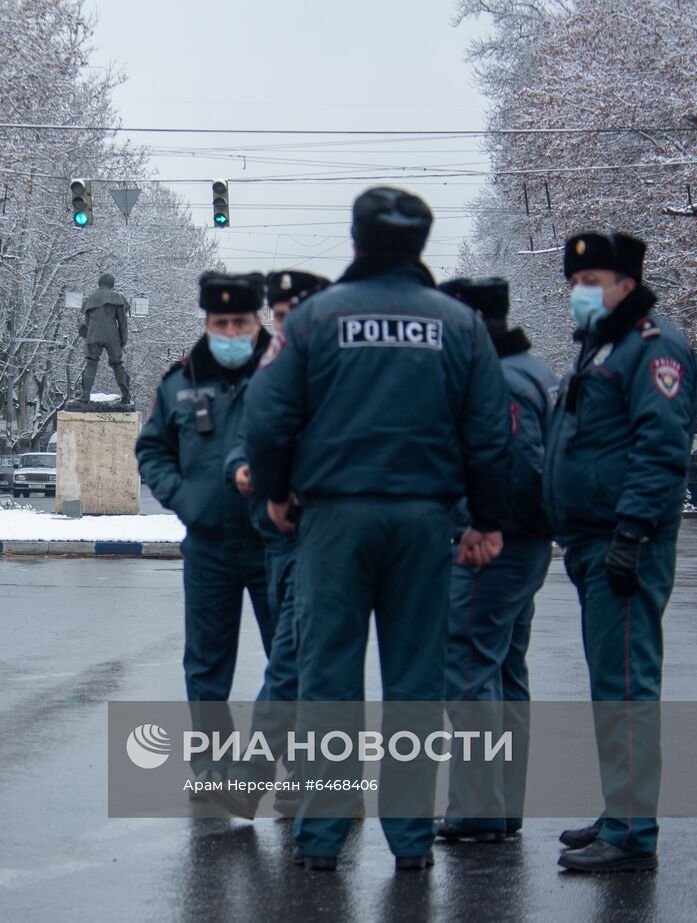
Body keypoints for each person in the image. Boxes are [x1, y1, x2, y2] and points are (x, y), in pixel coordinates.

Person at [244, 187, 512, 873]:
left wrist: (276, 492)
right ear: (420, 246)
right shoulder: (460, 325)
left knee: (328, 677)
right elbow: (487, 433)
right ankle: (412, 841)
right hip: (425, 520)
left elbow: (269, 414)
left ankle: (320, 838)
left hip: (334, 519)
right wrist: (485, 520)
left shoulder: (311, 321)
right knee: (416, 681)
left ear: (356, 242)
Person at [544, 231, 697, 873]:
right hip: (593, 538)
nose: (580, 294)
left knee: (627, 686)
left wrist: (632, 533)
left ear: (626, 285)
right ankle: (619, 813)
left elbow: (659, 448)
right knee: (612, 686)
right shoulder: (606, 346)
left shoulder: (653, 349)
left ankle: (633, 832)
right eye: (575, 284)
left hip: (623, 541)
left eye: (592, 283)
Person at [136, 271, 276, 796]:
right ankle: (213, 770)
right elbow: (152, 450)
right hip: (210, 546)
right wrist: (185, 498)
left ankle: (279, 766)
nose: (233, 331)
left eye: (241, 321)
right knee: (206, 665)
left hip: (276, 545)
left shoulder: (283, 373)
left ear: (258, 319)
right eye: (222, 322)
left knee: (291, 661)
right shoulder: (180, 381)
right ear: (208, 323)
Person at [434, 277, 558, 845]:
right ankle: (502, 805)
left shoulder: (500, 380)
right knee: (506, 671)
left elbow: (514, 465)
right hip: (525, 545)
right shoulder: (532, 369)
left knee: (467, 669)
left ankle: (477, 809)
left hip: (495, 544)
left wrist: (484, 526)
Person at [208, 269, 329, 822]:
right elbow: (240, 441)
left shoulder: (334, 370)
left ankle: (265, 779)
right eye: (278, 318)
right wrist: (241, 471)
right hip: (275, 538)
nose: (284, 328)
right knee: (306, 662)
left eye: (292, 316)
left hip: (321, 534)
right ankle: (315, 785)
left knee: (300, 661)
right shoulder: (268, 372)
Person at [80, 273, 133, 403]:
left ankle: (86, 395)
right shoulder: (117, 297)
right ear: (112, 284)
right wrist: (123, 340)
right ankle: (126, 395)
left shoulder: (90, 299)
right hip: (112, 336)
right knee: (117, 365)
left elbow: (87, 323)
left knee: (91, 363)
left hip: (93, 335)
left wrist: (90, 337)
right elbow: (122, 322)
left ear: (99, 283)